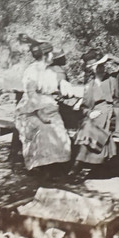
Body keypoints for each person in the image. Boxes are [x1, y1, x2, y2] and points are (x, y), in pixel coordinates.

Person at [68, 52, 119, 181]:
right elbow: (85, 107)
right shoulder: (89, 85)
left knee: (88, 129)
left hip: (112, 114)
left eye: (102, 64)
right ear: (91, 68)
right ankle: (80, 165)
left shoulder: (113, 79)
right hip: (95, 115)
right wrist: (89, 113)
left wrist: (110, 57)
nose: (100, 67)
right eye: (97, 66)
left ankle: (77, 166)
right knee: (87, 127)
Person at [15, 41, 71, 176]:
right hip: (31, 111)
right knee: (44, 131)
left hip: (49, 108)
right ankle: (42, 169)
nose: (53, 56)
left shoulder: (50, 71)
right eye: (51, 53)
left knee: (60, 132)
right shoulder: (32, 71)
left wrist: (62, 87)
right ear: (46, 55)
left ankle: (53, 168)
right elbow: (31, 94)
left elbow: (52, 89)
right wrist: (40, 113)